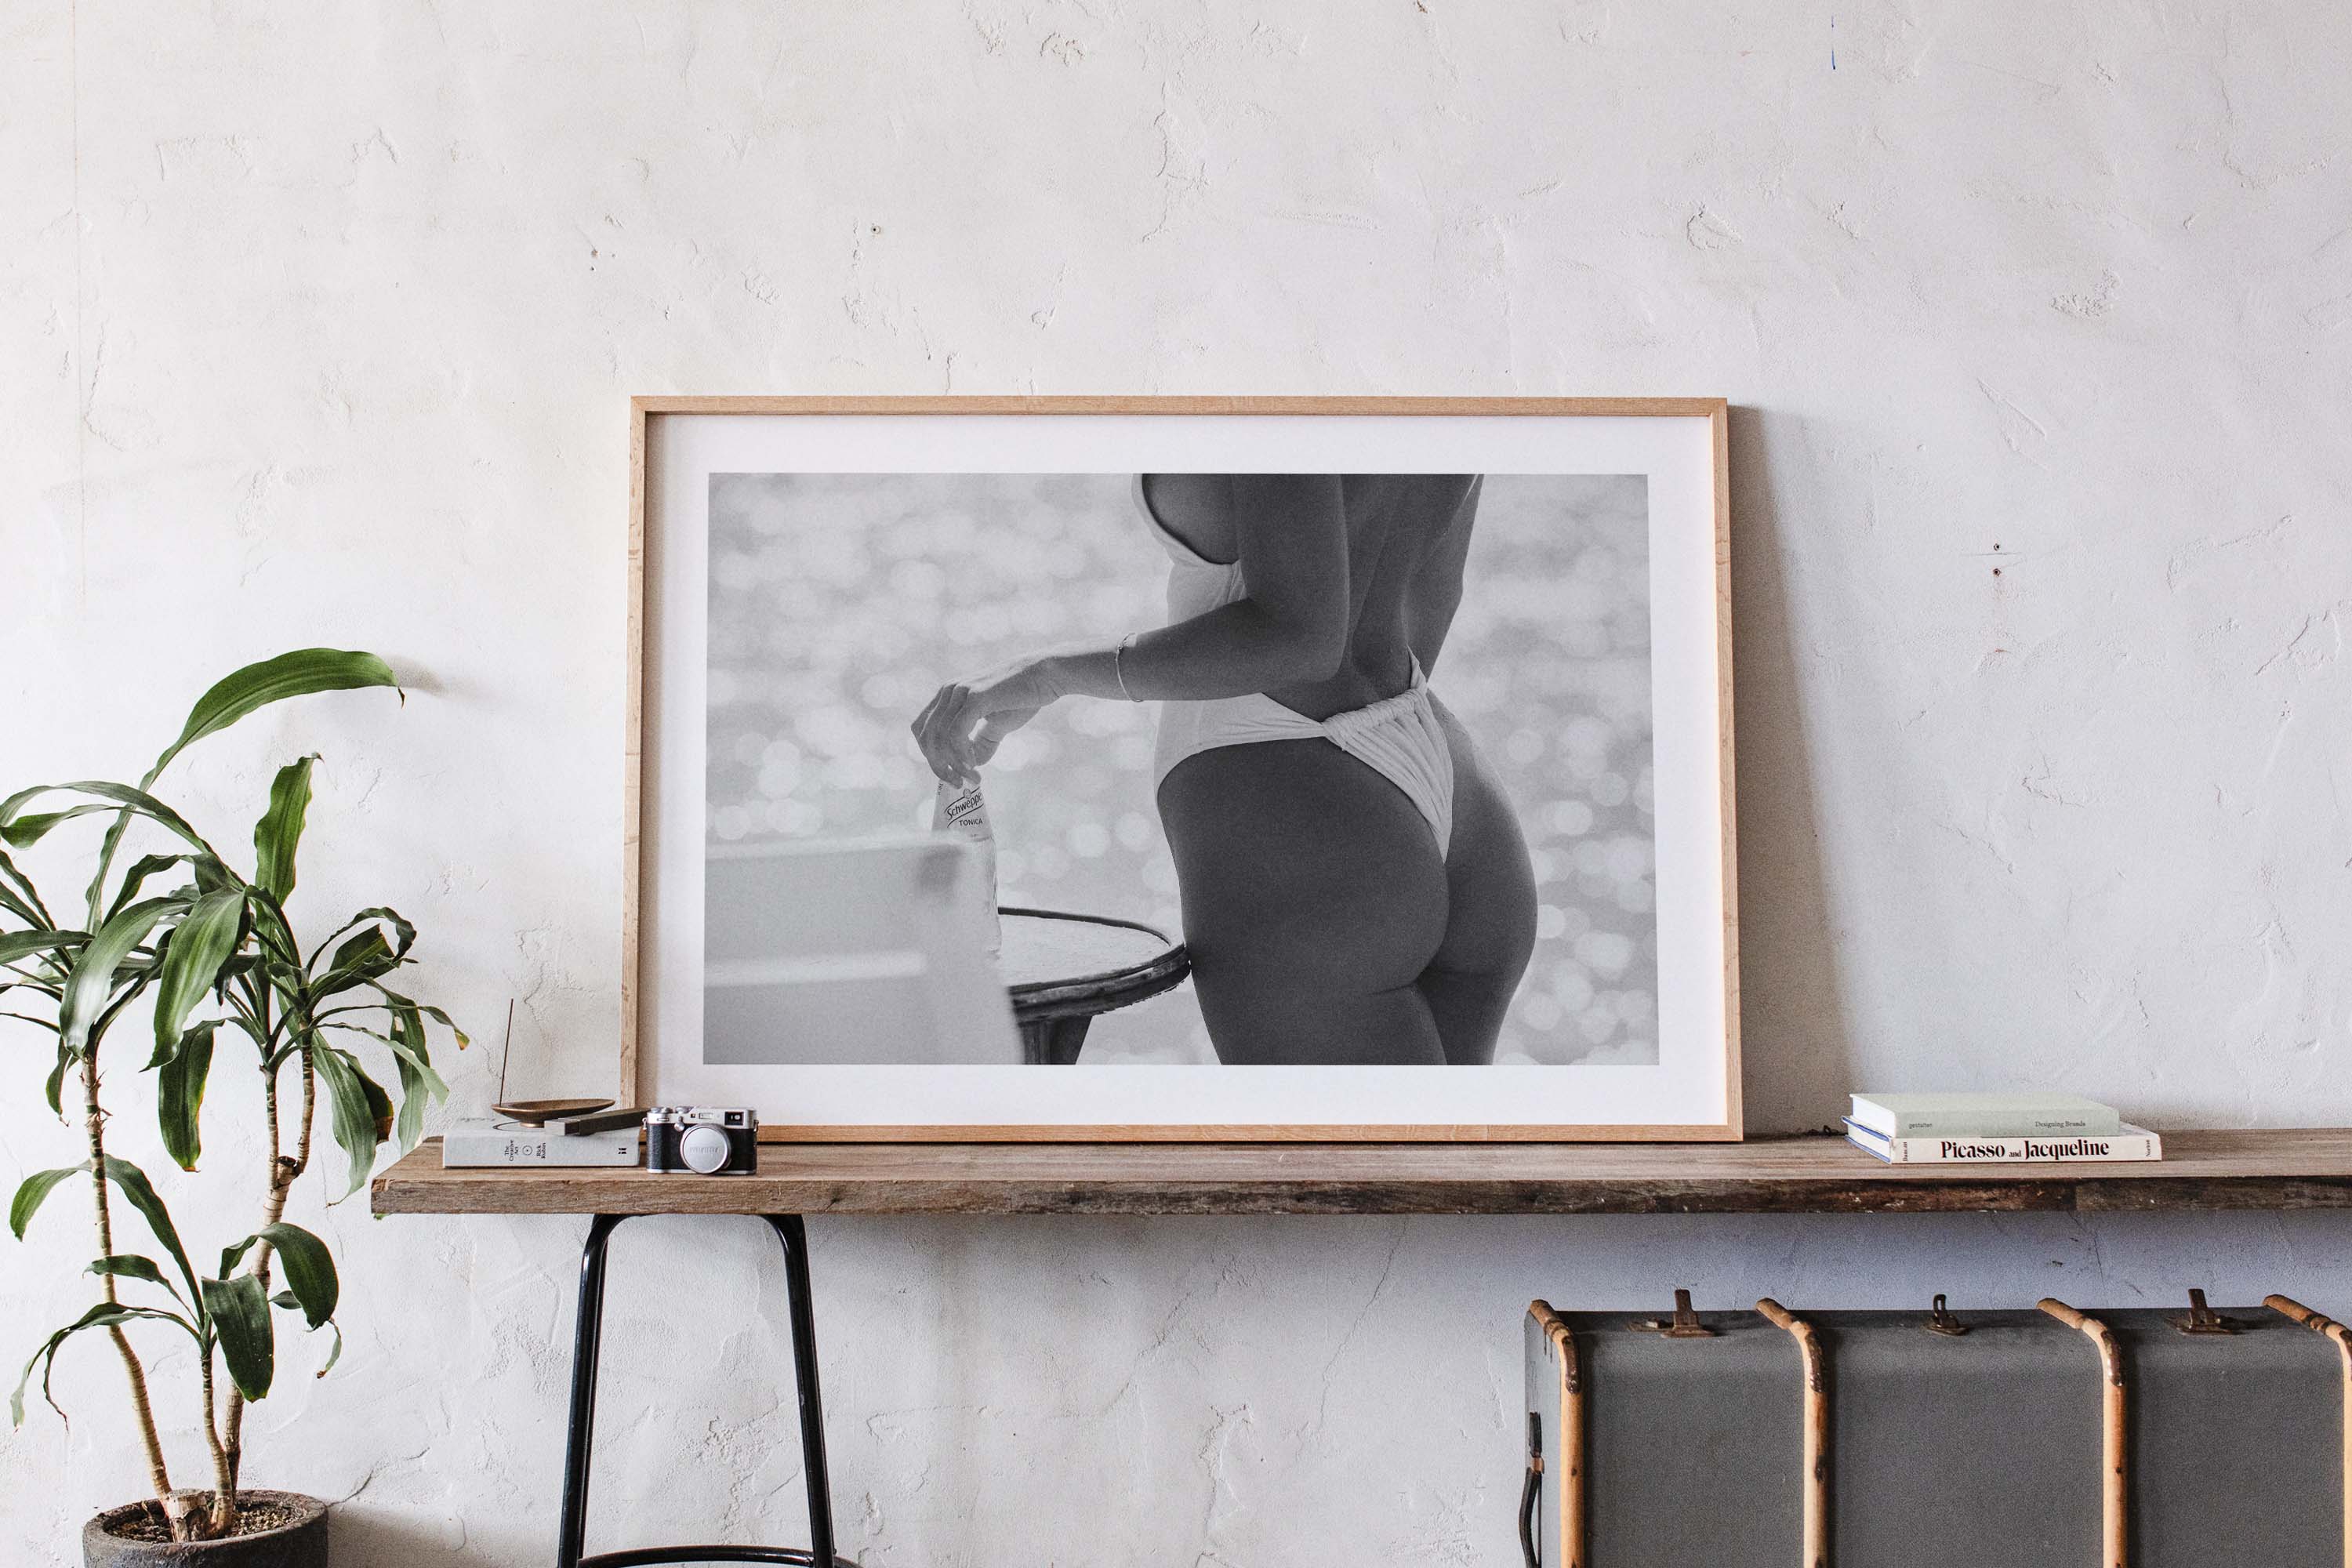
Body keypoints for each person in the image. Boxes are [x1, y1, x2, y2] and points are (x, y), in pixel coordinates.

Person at [913, 474, 1535, 1065]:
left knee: (1364, 1174)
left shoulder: (1268, 383)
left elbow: (1301, 639)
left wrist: (1050, 674)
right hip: (1438, 764)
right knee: (1445, 1160)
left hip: (1295, 800)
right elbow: (1433, 595)